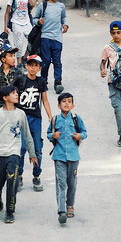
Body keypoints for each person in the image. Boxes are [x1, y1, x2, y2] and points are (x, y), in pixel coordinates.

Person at [0, 86, 37, 223]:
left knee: (12, 182)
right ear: (5, 98)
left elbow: (27, 134)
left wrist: (32, 153)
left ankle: (10, 211)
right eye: (13, 93)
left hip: (14, 153)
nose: (16, 95)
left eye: (16, 93)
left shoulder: (21, 114)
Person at [14, 55, 52, 192]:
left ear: (40, 68)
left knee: (37, 149)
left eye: (36, 66)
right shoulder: (20, 79)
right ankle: (19, 175)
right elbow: (11, 94)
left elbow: (45, 100)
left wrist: (50, 116)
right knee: (21, 148)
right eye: (31, 65)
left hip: (35, 118)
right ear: (26, 66)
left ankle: (36, 175)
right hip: (21, 117)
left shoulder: (40, 82)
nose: (33, 68)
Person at [48, 92, 87, 225]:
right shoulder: (55, 119)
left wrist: (79, 136)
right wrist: (53, 135)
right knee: (61, 183)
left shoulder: (76, 119)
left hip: (73, 157)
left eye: (69, 101)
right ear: (59, 105)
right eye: (63, 101)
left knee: (72, 183)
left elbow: (84, 132)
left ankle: (70, 205)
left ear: (73, 105)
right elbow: (48, 133)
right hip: (59, 156)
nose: (66, 103)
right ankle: (62, 210)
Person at [32, 0, 68, 93]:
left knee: (57, 61)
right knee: (46, 61)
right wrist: (38, 21)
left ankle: (58, 82)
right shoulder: (43, 6)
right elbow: (34, 19)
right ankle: (43, 81)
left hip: (57, 39)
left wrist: (65, 25)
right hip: (45, 38)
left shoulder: (61, 6)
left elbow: (63, 20)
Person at [5, 0, 34, 67]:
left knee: (33, 40)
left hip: (27, 23)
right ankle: (19, 63)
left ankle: (25, 57)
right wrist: (5, 26)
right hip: (16, 23)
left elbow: (29, 9)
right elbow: (7, 13)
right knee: (19, 43)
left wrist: (32, 5)